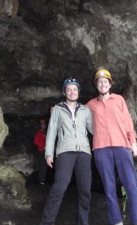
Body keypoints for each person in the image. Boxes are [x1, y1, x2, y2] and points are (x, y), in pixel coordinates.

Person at [87, 68, 137, 225]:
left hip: (122, 145)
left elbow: (128, 122)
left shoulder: (119, 100)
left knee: (131, 184)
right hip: (101, 149)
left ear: (110, 84)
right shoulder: (90, 105)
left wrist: (133, 143)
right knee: (109, 187)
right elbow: (79, 118)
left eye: (105, 81)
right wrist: (58, 109)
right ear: (96, 85)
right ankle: (116, 221)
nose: (103, 84)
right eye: (99, 82)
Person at [39, 77, 93, 225]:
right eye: (69, 89)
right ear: (64, 92)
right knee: (60, 186)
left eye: (75, 89)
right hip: (65, 151)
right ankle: (47, 221)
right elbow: (51, 132)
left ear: (78, 92)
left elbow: (93, 129)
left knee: (85, 188)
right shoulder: (57, 110)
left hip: (84, 152)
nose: (72, 91)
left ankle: (83, 221)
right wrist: (49, 153)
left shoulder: (85, 110)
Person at [34, 118, 48, 185]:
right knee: (42, 165)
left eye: (44, 124)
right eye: (42, 124)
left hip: (46, 151)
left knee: (45, 165)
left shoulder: (45, 132)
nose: (43, 125)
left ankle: (43, 179)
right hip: (41, 151)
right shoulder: (39, 132)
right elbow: (36, 141)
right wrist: (43, 146)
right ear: (40, 125)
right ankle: (41, 180)